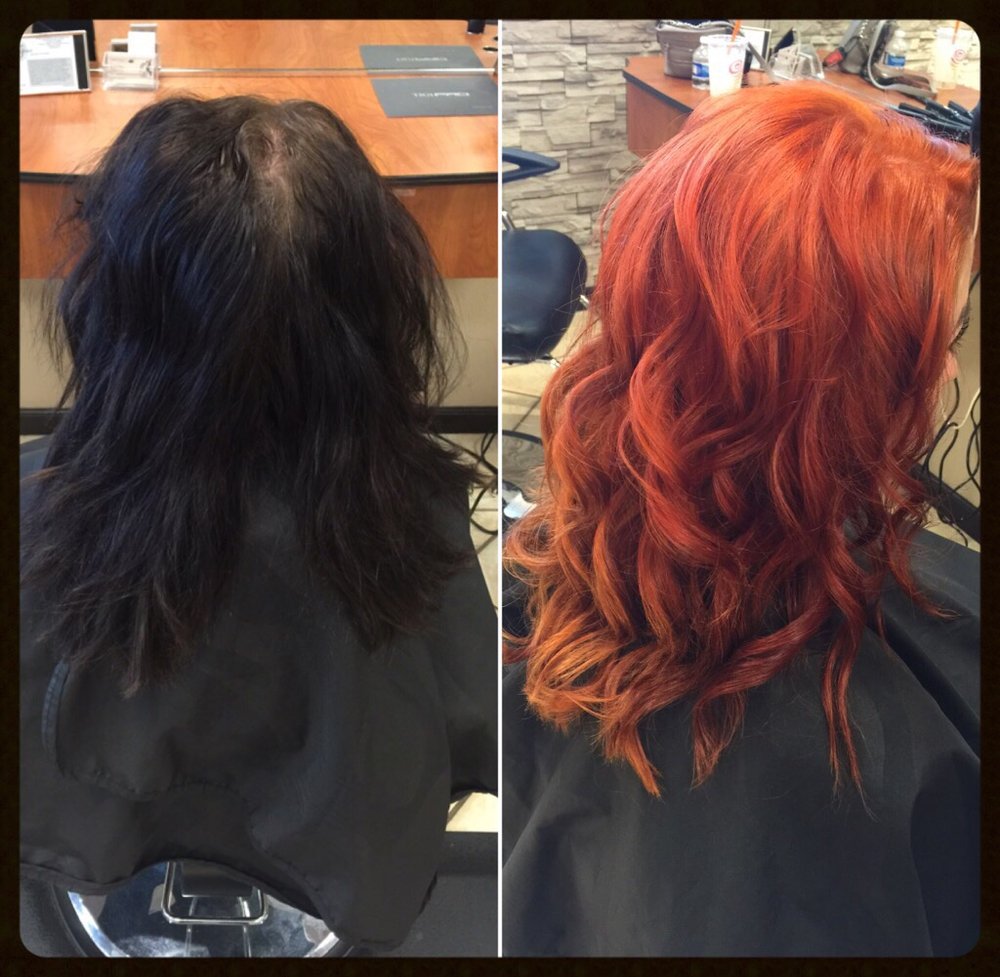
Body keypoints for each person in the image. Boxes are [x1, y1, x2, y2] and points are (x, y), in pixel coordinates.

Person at [502, 83, 979, 956]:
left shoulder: (556, 552)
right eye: (931, 344)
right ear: (838, 389)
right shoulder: (878, 732)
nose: (946, 369)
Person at [20, 95, 497, 953]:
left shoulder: (35, 502)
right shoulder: (418, 523)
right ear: (376, 312)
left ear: (115, 306)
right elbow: (461, 742)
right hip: (327, 870)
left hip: (90, 853)